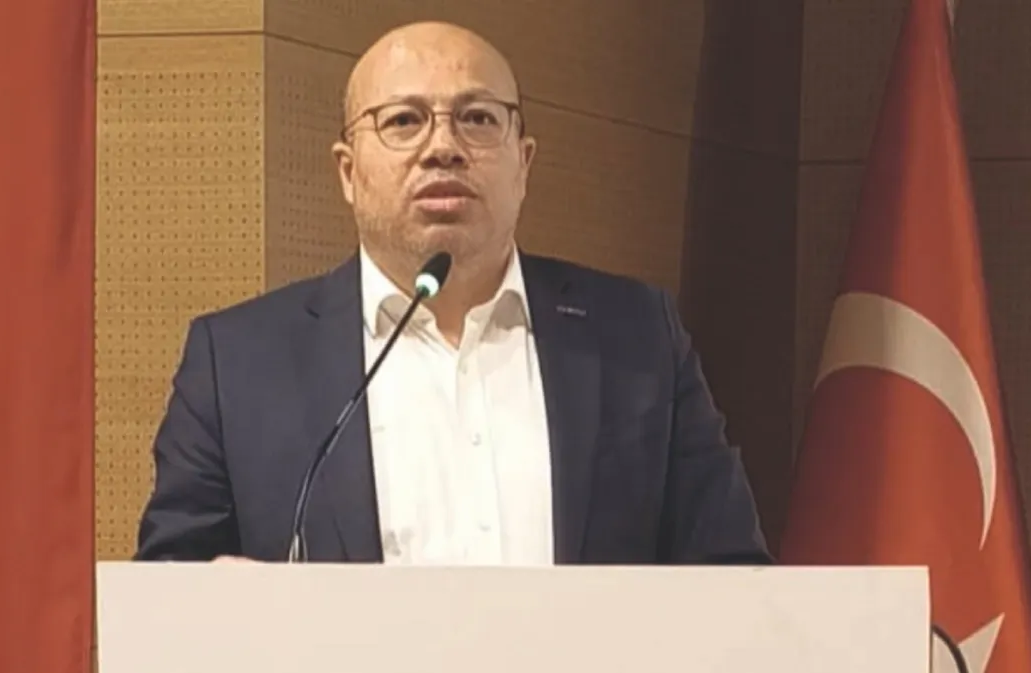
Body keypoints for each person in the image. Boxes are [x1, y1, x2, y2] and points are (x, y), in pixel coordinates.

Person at [133, 21, 770, 566]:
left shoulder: (637, 336)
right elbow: (172, 592)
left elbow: (731, 575)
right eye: (403, 120)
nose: (443, 147)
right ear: (348, 173)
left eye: (477, 118)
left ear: (524, 163)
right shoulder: (238, 363)